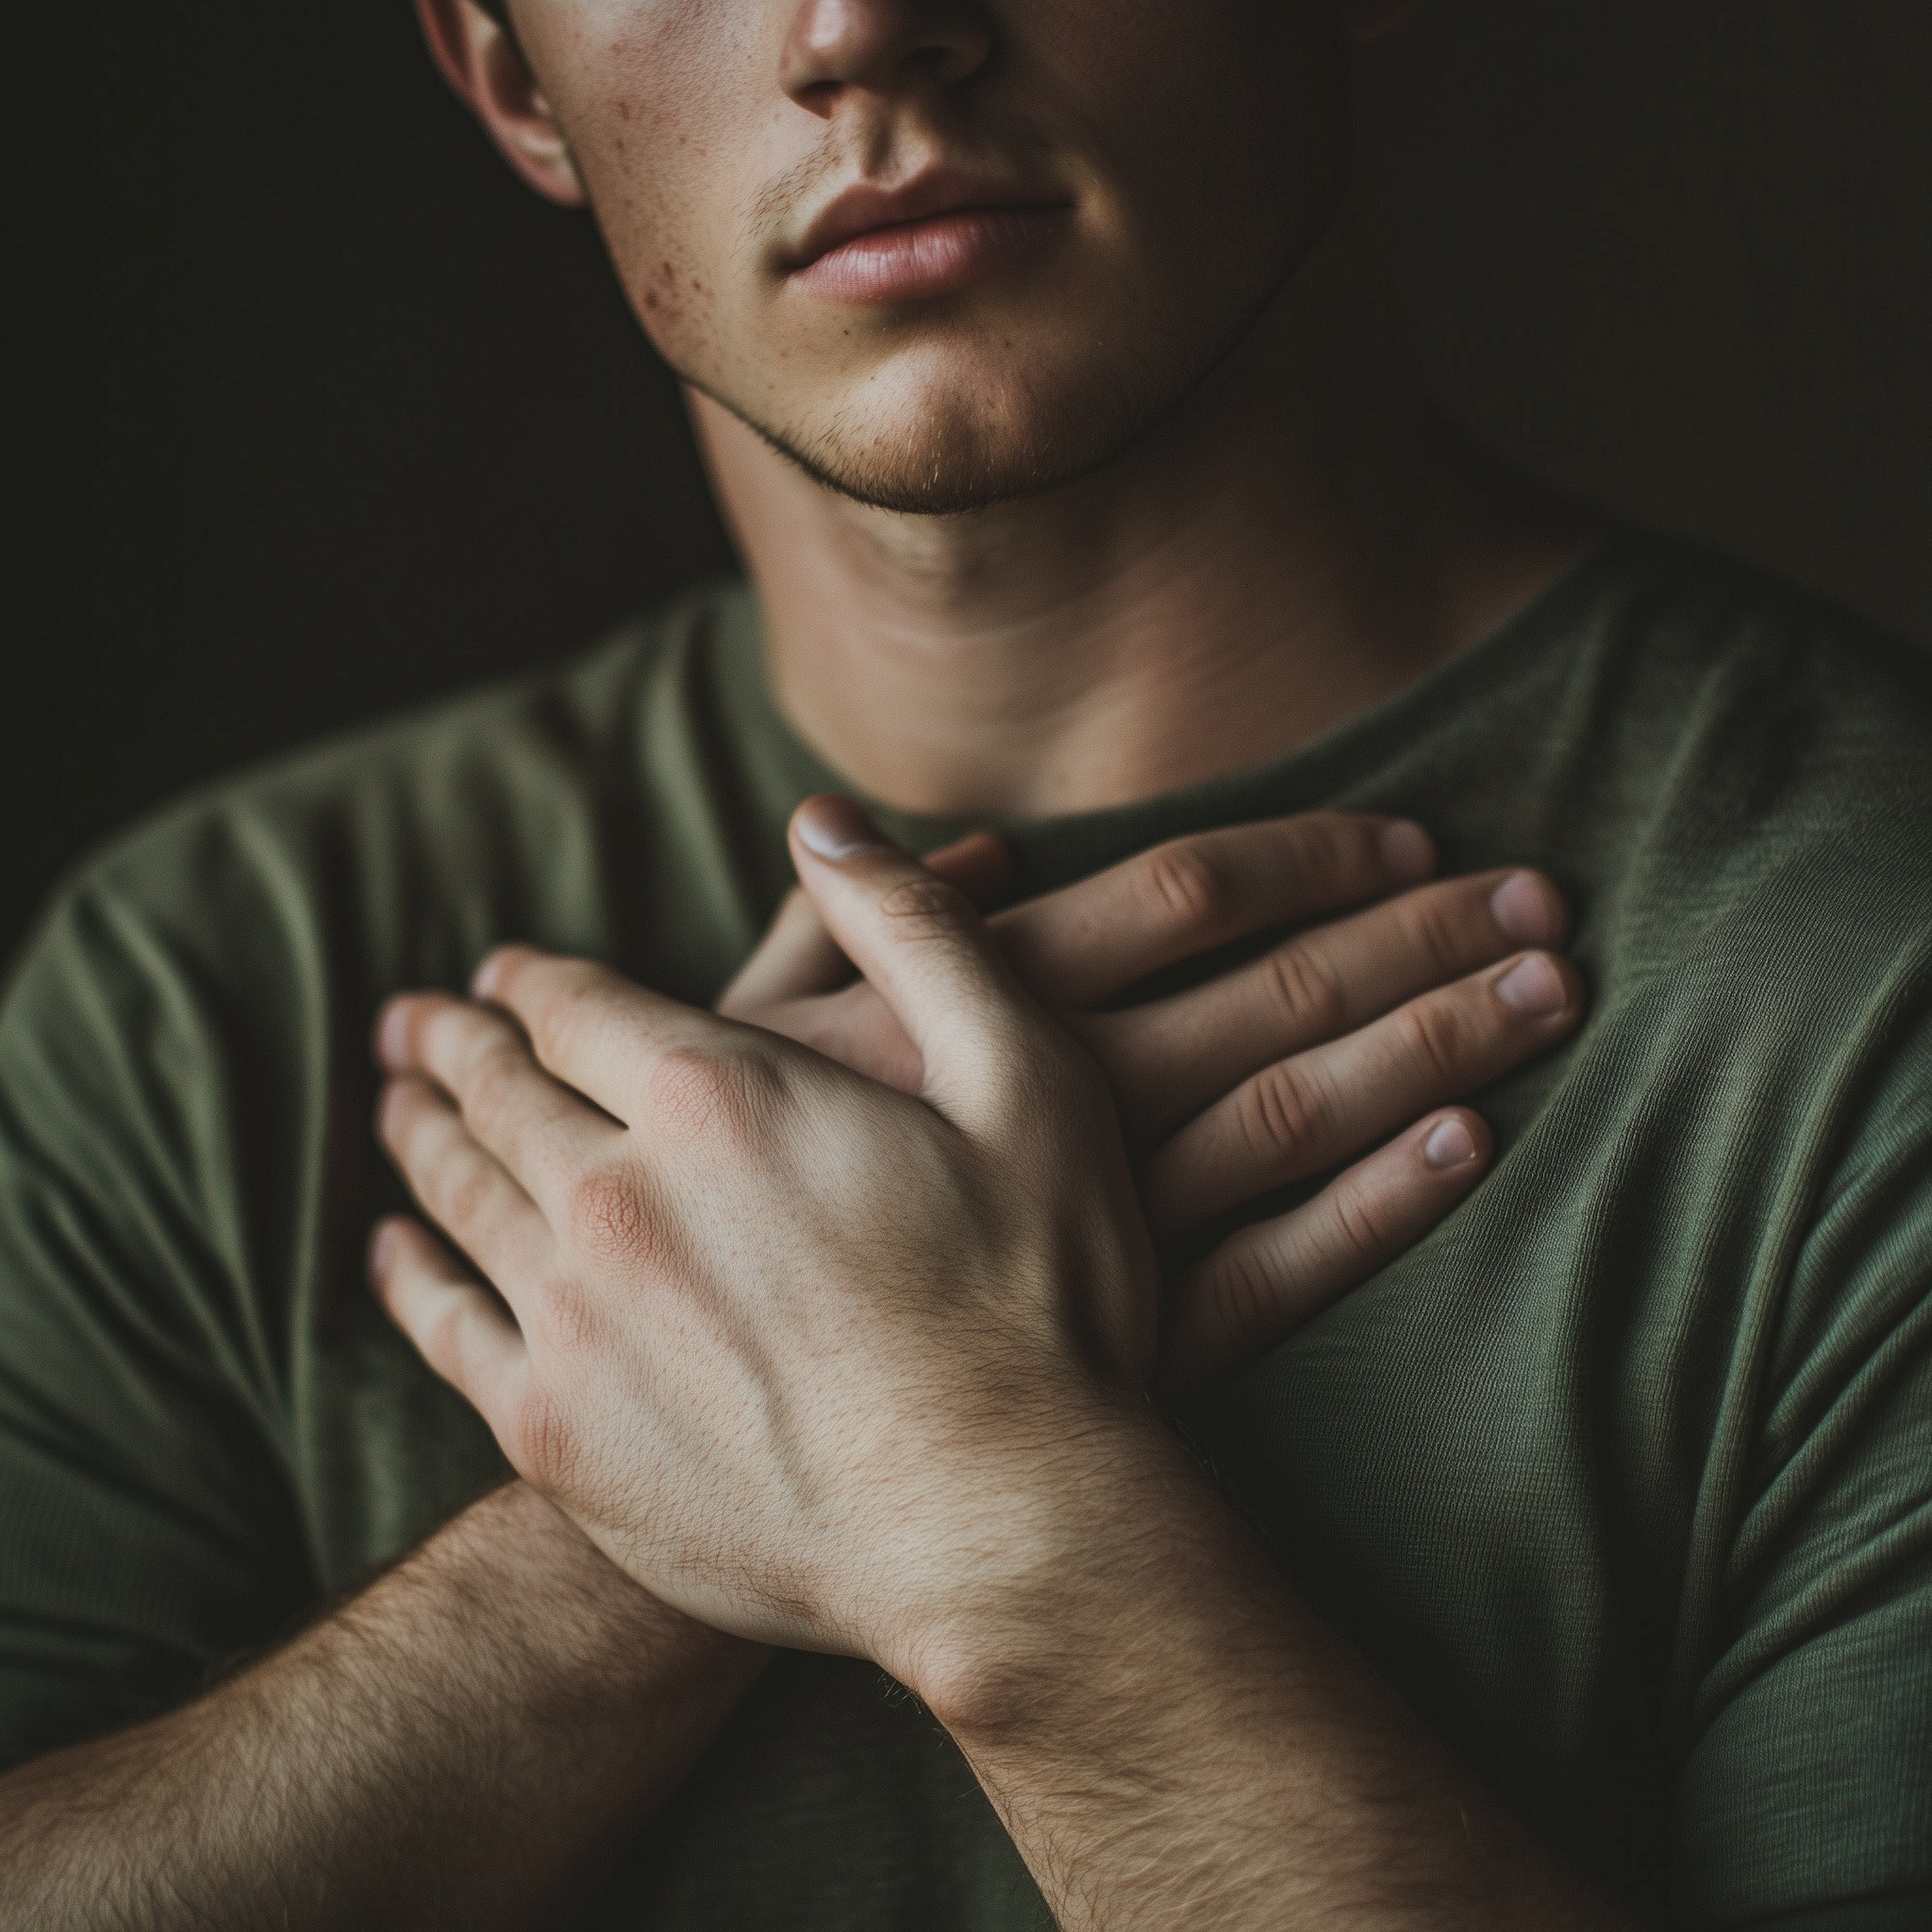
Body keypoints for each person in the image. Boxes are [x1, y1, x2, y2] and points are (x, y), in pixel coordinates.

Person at [0, 0, 1926, 1925]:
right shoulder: (202, 992)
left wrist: (999, 1519)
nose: (861, 33)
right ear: (513, 80)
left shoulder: (1868, 971)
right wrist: (623, 1538)